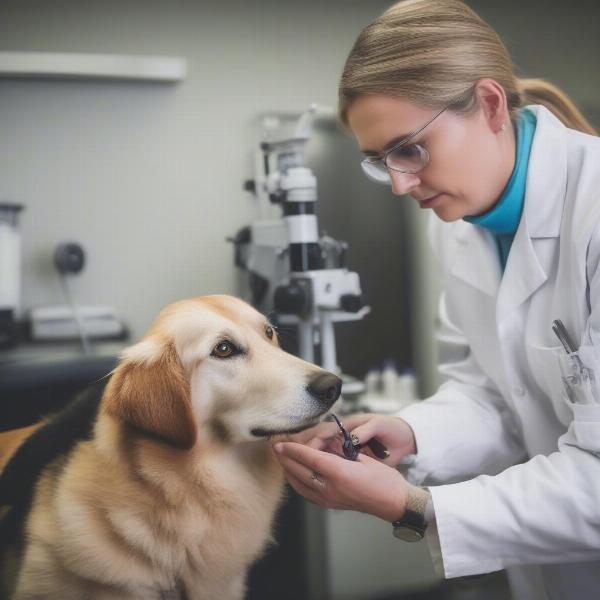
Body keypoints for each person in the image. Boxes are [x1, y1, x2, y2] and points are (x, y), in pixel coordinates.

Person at [270, 1, 600, 599]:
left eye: (409, 149)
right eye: (380, 161)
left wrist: (414, 507)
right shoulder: (454, 223)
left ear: (491, 105)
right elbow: (495, 394)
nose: (399, 183)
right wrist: (410, 432)